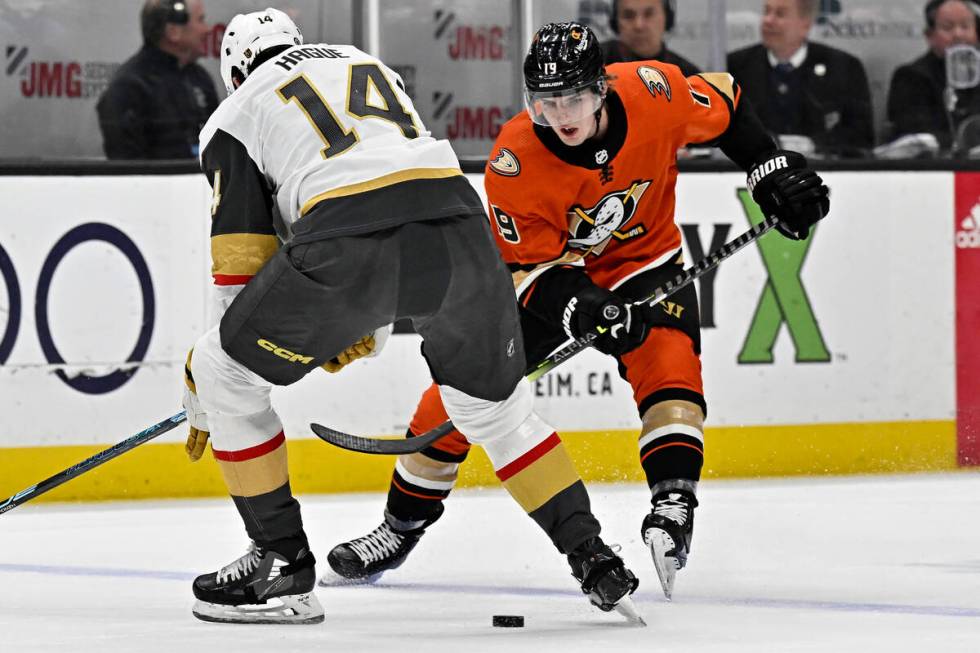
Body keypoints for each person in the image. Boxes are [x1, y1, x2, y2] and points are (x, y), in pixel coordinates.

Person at [324, 22, 829, 600]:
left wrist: (769, 168)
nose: (561, 115)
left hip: (644, 262)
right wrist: (583, 308)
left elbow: (729, 102)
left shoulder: (655, 92)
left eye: (576, 99)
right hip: (550, 277)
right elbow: (530, 272)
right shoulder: (515, 159)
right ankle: (400, 527)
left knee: (670, 366)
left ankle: (674, 503)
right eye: (545, 102)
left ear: (603, 91)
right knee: (459, 390)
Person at [182, 8, 640, 625]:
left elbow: (241, 273)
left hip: (349, 241)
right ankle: (593, 557)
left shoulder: (235, 114)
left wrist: (209, 386)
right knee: (497, 413)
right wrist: (358, 323)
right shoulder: (360, 61)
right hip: (460, 228)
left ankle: (279, 564)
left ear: (234, 73)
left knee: (222, 370)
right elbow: (394, 180)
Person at [727, 0, 874, 157]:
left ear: (805, 25)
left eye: (780, 14)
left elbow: (862, 135)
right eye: (766, 12)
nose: (768, 20)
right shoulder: (735, 67)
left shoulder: (844, 67)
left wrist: (816, 145)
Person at [96, 0, 218, 159]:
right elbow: (127, 171)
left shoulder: (200, 77)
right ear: (173, 31)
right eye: (200, 20)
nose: (208, 29)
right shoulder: (129, 88)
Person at [886, 0, 980, 152]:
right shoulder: (910, 77)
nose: (958, 34)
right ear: (930, 36)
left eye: (965, 26)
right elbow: (918, 136)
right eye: (947, 28)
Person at [600, 0, 700, 74]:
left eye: (649, 14)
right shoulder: (592, 65)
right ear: (615, 23)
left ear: (667, 19)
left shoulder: (689, 76)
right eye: (628, 16)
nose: (639, 25)